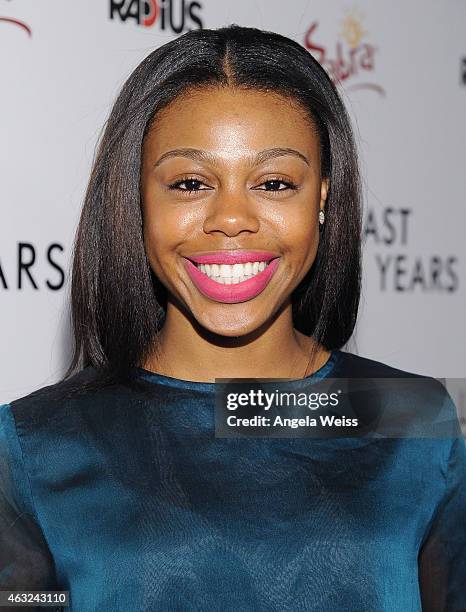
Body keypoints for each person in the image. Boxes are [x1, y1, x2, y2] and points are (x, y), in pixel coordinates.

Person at [1, 24, 465, 612]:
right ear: (138, 199)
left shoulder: (413, 419)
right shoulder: (34, 445)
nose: (231, 218)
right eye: (191, 183)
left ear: (321, 197)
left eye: (273, 183)